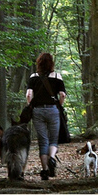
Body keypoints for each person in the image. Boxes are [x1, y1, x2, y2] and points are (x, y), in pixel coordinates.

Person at [26, 52, 66, 180]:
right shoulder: (57, 76)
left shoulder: (33, 76)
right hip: (53, 110)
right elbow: (62, 95)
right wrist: (59, 105)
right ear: (51, 63)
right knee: (53, 139)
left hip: (37, 111)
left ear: (39, 63)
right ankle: (52, 158)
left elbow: (28, 95)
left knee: (43, 141)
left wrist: (30, 105)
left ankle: (44, 171)